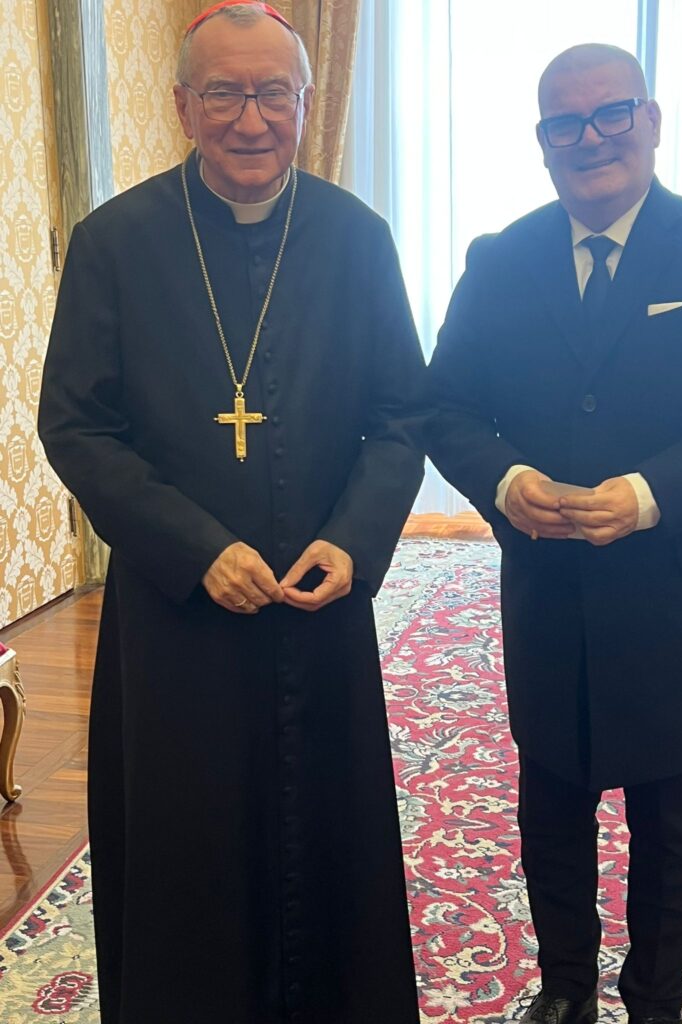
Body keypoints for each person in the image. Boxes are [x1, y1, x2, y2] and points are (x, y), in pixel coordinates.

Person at [38, 4, 424, 1022]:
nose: (250, 119)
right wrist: (196, 548)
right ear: (182, 104)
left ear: (306, 100)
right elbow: (76, 425)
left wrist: (353, 540)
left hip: (319, 599)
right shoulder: (115, 243)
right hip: (178, 614)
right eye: (223, 93)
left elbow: (402, 416)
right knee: (188, 835)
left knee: (327, 832)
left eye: (272, 94)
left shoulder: (356, 238)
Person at [426, 42, 682, 1024]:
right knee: (551, 807)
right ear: (542, 142)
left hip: (680, 589)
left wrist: (651, 493)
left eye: (612, 113)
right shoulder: (500, 259)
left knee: (672, 822)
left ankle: (656, 1000)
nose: (591, 139)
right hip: (550, 590)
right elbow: (445, 404)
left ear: (650, 121)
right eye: (564, 123)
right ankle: (566, 989)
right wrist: (504, 478)